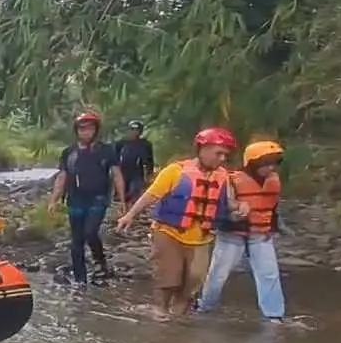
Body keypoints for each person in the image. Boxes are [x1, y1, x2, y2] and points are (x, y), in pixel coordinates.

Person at [115, 126, 236, 320]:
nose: (222, 159)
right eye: (218, 153)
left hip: (201, 238)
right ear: (202, 149)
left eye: (225, 155)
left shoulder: (223, 176)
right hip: (169, 233)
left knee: (193, 281)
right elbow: (151, 195)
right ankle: (160, 313)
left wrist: (240, 206)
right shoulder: (175, 171)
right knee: (169, 278)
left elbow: (227, 202)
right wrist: (130, 215)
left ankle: (179, 318)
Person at [197, 140, 288, 321]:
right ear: (253, 163)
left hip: (260, 235)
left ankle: (274, 315)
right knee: (218, 275)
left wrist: (273, 227)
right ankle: (205, 306)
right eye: (266, 163)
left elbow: (273, 207)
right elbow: (219, 208)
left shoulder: (273, 181)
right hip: (232, 234)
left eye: (274, 163)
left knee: (269, 274)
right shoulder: (231, 179)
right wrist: (232, 216)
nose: (270, 168)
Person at [47, 111, 126, 282]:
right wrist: (53, 200)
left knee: (90, 232)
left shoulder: (106, 150)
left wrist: (122, 200)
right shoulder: (69, 152)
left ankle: (99, 260)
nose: (86, 132)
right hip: (75, 199)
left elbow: (116, 174)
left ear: (96, 130)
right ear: (76, 131)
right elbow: (62, 176)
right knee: (76, 241)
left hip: (98, 198)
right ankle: (80, 280)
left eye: (90, 129)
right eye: (82, 129)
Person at [115, 119, 156, 202]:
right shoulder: (121, 143)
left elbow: (149, 160)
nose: (134, 132)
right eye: (132, 129)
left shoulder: (145, 144)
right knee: (122, 196)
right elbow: (115, 158)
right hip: (123, 172)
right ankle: (124, 211)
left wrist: (149, 173)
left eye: (136, 130)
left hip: (137, 173)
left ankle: (134, 211)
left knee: (135, 192)